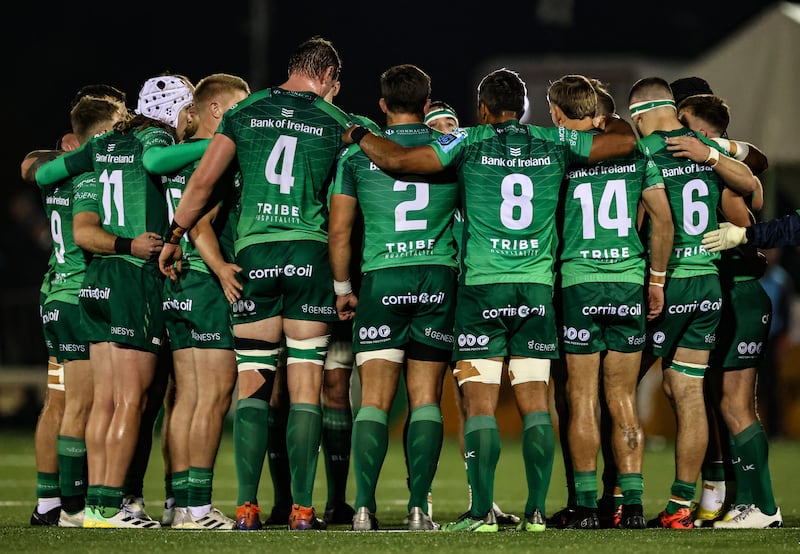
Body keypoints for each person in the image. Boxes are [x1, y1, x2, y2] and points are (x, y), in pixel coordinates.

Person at [343, 68, 638, 532]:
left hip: (482, 291)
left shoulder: (465, 139)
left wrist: (359, 132)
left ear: (482, 108)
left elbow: (401, 162)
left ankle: (481, 512)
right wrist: (611, 121)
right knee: (536, 402)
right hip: (536, 291)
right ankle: (538, 512)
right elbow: (623, 144)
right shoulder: (555, 141)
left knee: (479, 406)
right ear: (523, 108)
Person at [158, 36, 352, 531]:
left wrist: (174, 234)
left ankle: (246, 507)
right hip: (310, 257)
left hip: (255, 258)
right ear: (328, 75)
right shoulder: (338, 122)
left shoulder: (246, 111)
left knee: (254, 384)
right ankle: (303, 509)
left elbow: (201, 183)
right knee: (306, 386)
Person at [29, 74, 202, 529]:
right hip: (131, 277)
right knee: (132, 401)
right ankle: (110, 506)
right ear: (177, 110)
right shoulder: (155, 138)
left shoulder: (101, 149)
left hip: (89, 281)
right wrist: (220, 144)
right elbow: (159, 159)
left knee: (95, 401)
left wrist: (42, 163)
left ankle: (82, 506)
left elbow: (44, 173)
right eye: (190, 109)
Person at [626, 77, 759, 529]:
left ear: (641, 112)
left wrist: (652, 276)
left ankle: (619, 499)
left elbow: (641, 218)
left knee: (616, 390)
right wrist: (713, 155)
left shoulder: (642, 150)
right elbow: (749, 187)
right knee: (687, 392)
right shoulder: (700, 145)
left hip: (668, 283)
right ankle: (684, 504)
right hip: (708, 284)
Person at [329, 64, 457, 532]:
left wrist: (343, 289)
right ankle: (419, 509)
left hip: (382, 279)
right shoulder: (447, 146)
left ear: (382, 105)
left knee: (374, 400)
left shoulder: (356, 156)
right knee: (425, 399)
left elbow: (340, 231)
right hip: (436, 277)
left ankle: (363, 508)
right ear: (428, 104)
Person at [549, 77, 674, 529]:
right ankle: (633, 506)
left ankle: (584, 507)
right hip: (627, 283)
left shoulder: (560, 154)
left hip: (578, 283)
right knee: (622, 398)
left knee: (580, 397)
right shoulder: (635, 152)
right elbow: (663, 220)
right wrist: (655, 280)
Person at [676, 92, 782, 529]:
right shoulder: (720, 168)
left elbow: (751, 207)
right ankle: (748, 502)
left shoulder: (716, 174)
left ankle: (764, 506)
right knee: (728, 403)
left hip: (739, 293)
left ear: (700, 131)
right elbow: (756, 180)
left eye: (681, 121)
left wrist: (746, 243)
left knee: (736, 405)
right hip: (730, 296)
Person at [25, 95, 127, 527]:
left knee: (58, 401)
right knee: (81, 405)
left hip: (53, 297)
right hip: (76, 297)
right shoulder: (92, 177)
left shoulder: (58, 175)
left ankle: (48, 502)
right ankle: (72, 507)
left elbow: (30, 164)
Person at [161, 73, 251, 530]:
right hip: (203, 282)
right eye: (238, 105)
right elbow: (200, 223)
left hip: (176, 288)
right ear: (216, 110)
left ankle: (178, 503)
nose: (245, 114)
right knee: (212, 399)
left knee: (187, 399)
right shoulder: (218, 156)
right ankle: (198, 508)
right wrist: (220, 269)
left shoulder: (176, 156)